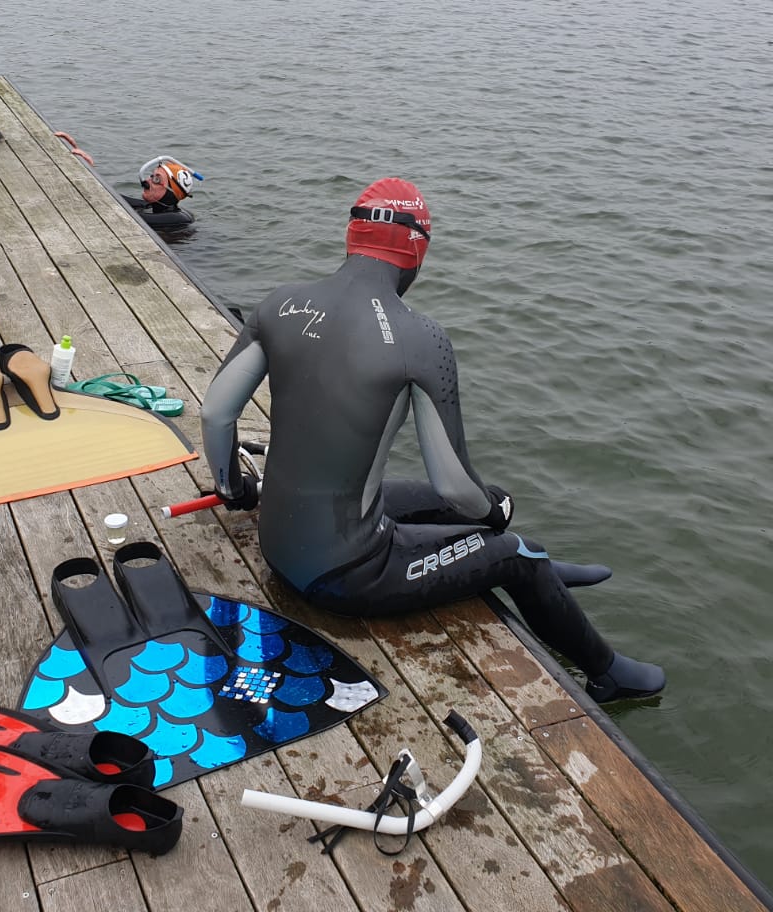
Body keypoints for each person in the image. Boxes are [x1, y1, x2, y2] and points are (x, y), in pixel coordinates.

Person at [201, 178, 666, 703]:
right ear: (417, 249)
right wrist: (492, 514)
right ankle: (608, 674)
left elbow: (217, 414)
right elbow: (456, 489)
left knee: (464, 503)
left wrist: (234, 489)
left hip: (277, 544)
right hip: (345, 574)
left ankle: (539, 577)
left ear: (353, 235)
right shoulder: (421, 338)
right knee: (513, 543)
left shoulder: (280, 304)